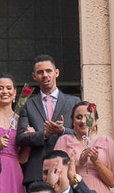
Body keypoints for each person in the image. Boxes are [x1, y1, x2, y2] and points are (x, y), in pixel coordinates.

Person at [16, 55, 81, 186]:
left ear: (56, 73)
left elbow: (81, 135)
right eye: (40, 72)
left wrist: (62, 130)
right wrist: (44, 134)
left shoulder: (74, 102)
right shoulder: (27, 104)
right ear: (34, 76)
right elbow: (20, 138)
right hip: (36, 172)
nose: (45, 75)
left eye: (48, 71)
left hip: (66, 170)